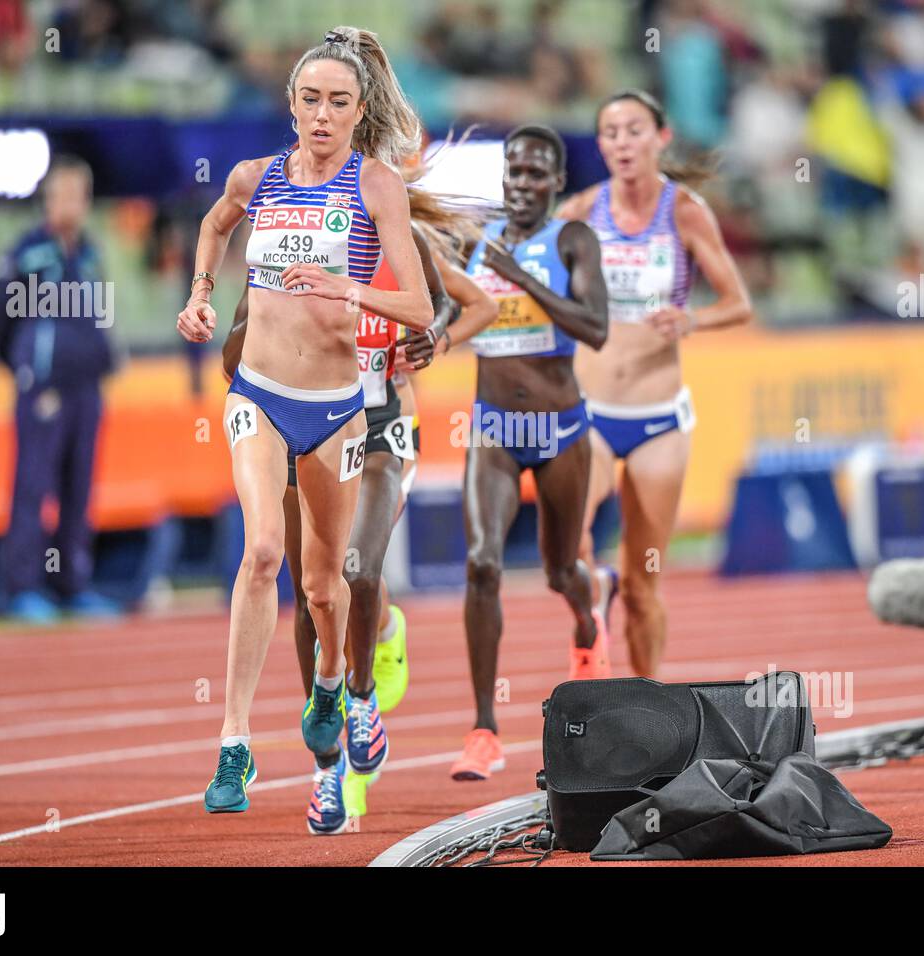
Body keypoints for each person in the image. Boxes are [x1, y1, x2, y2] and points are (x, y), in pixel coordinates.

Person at [176, 26, 433, 835]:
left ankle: (331, 684)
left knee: (327, 588)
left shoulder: (377, 186)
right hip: (257, 391)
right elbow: (214, 225)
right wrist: (200, 296)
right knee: (261, 554)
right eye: (310, 100)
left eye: (339, 102)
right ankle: (234, 742)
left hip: (336, 410)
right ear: (290, 105)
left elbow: (420, 309)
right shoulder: (256, 178)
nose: (322, 115)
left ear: (360, 113)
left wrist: (346, 288)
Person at [221, 194, 497, 818]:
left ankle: (364, 695)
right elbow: (233, 351)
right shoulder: (284, 250)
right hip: (301, 428)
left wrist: (433, 340)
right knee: (310, 596)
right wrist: (269, 329)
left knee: (355, 568)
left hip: (380, 429)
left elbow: (446, 301)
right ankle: (326, 766)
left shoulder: (406, 244)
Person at [557, 89, 753, 678]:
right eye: (610, 132)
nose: (622, 142)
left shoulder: (685, 211)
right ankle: (591, 607)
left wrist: (691, 318)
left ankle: (648, 704)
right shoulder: (580, 211)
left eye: (634, 130)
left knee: (644, 587)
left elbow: (738, 302)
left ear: (660, 138)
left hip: (657, 420)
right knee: (569, 544)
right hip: (588, 409)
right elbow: (523, 281)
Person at [450, 125, 609, 782]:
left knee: (558, 571)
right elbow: (444, 305)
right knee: (482, 563)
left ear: (556, 183)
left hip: (560, 432)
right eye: (513, 172)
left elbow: (595, 329)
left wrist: (521, 280)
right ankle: (485, 728)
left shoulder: (572, 240)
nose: (521, 185)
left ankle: (587, 611)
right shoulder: (474, 241)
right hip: (492, 430)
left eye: (536, 174)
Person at [0, 154, 119, 623]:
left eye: (77, 194)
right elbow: (1, 321)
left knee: (79, 488)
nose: (70, 203)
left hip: (86, 387)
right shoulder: (26, 253)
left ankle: (72, 584)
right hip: (42, 388)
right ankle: (23, 587)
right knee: (33, 485)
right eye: (62, 193)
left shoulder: (89, 253)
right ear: (48, 198)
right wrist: (27, 368)